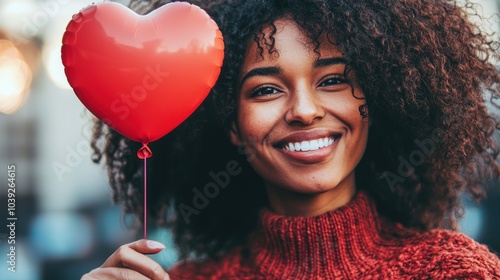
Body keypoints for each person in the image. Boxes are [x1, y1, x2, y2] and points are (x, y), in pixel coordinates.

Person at [82, 0, 500, 279]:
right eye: (265, 89)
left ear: (379, 101)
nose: (304, 109)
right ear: (230, 124)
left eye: (333, 80)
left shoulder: (454, 272)